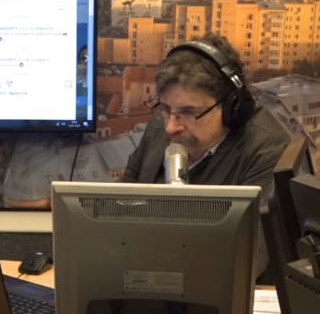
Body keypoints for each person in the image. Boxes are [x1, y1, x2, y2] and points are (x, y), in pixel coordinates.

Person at [123, 35, 290, 275]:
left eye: (188, 112)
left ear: (231, 107)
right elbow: (120, 201)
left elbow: (251, 256)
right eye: (166, 109)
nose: (171, 127)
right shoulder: (162, 125)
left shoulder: (266, 149)